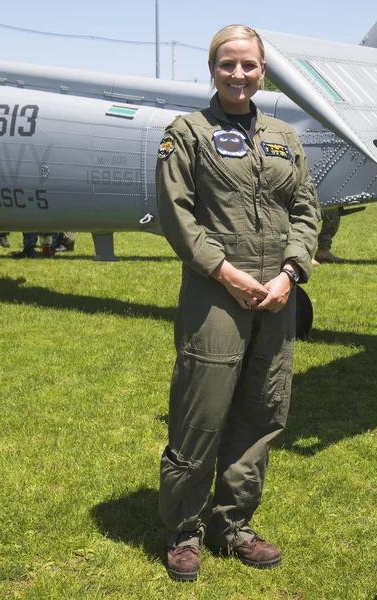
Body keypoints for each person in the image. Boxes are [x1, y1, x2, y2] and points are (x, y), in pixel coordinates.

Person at [156, 24, 320, 582]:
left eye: (249, 65)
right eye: (228, 64)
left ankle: (234, 525)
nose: (238, 74)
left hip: (276, 299)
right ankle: (183, 531)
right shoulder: (188, 133)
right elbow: (177, 216)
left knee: (261, 412)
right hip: (214, 297)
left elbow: (305, 209)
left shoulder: (283, 136)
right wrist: (225, 273)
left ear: (263, 70)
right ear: (212, 68)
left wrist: (290, 273)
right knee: (200, 415)